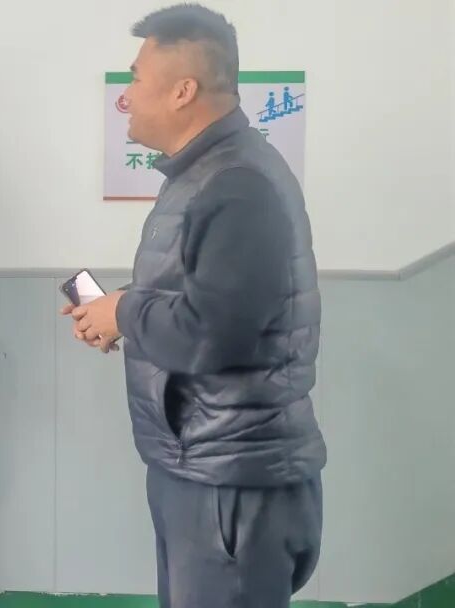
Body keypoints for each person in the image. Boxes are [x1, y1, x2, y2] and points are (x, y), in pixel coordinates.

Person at [63, 5, 326, 607]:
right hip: (204, 467)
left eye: (135, 77)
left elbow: (213, 334)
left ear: (183, 91)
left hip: (229, 478)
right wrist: (120, 316)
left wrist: (123, 311)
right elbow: (205, 307)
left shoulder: (237, 183)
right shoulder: (203, 175)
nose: (126, 96)